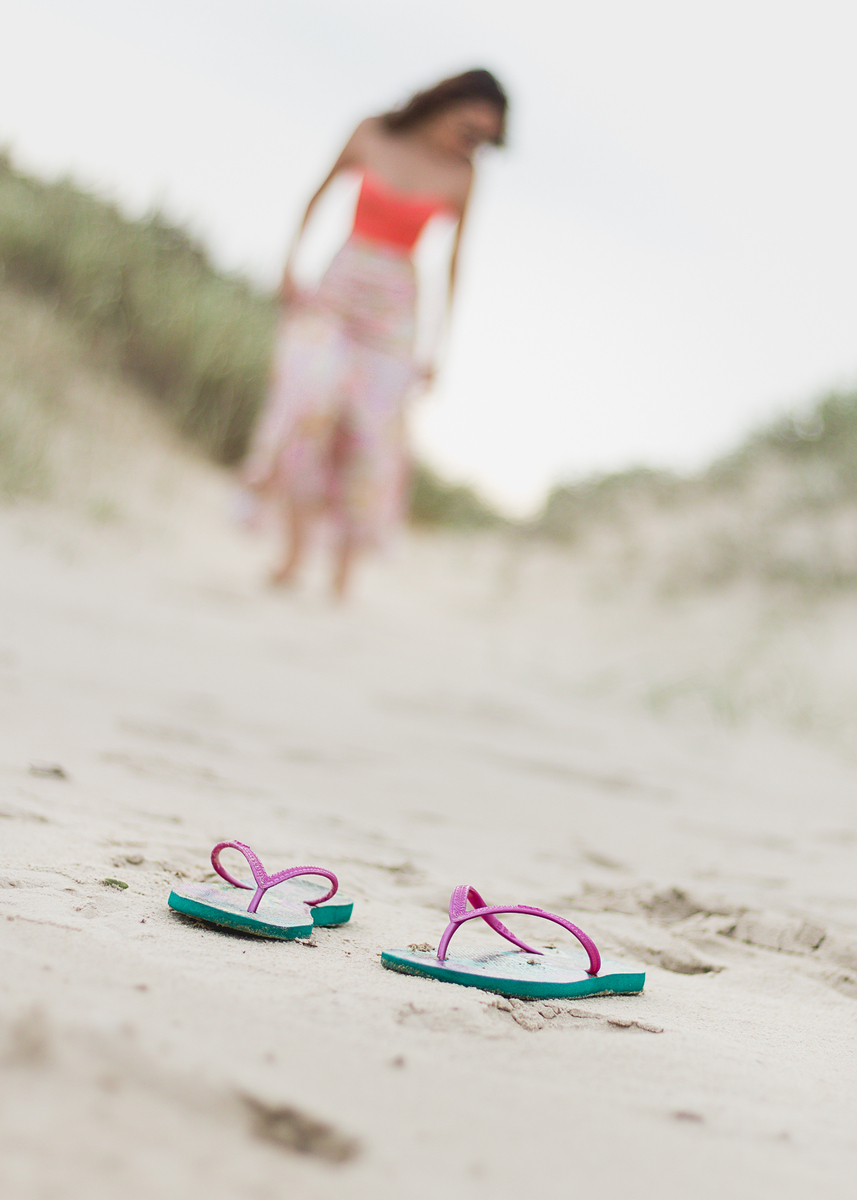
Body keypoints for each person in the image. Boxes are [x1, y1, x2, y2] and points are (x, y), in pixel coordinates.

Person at [242, 68, 508, 599]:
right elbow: (317, 194)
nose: (473, 142)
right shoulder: (372, 131)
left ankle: (343, 575)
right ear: (448, 103)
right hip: (338, 289)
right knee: (305, 410)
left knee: (368, 442)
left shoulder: (463, 174)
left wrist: (437, 349)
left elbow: (455, 264)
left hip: (396, 311)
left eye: (485, 138)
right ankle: (292, 554)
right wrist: (289, 264)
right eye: (470, 128)